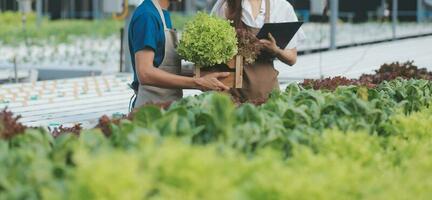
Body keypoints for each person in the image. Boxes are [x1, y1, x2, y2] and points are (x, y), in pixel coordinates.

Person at [128, 0, 230, 109]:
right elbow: (145, 73)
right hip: (150, 111)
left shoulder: (162, 14)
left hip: (166, 108)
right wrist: (198, 83)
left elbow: (166, 69)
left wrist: (202, 76)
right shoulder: (147, 16)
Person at [211, 0, 305, 101]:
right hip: (231, 93)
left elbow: (292, 58)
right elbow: (212, 49)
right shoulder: (225, 4)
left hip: (267, 93)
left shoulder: (281, 7)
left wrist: (276, 50)